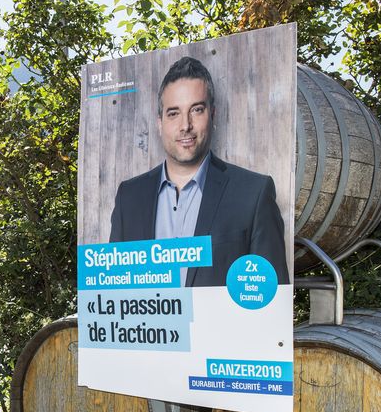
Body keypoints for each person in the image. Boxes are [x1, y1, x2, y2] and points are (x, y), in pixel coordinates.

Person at [108, 56, 290, 287]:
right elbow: (113, 294)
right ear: (159, 122)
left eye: (196, 110)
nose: (186, 125)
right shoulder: (129, 197)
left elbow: (270, 302)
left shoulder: (253, 193)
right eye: (173, 113)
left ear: (212, 115)